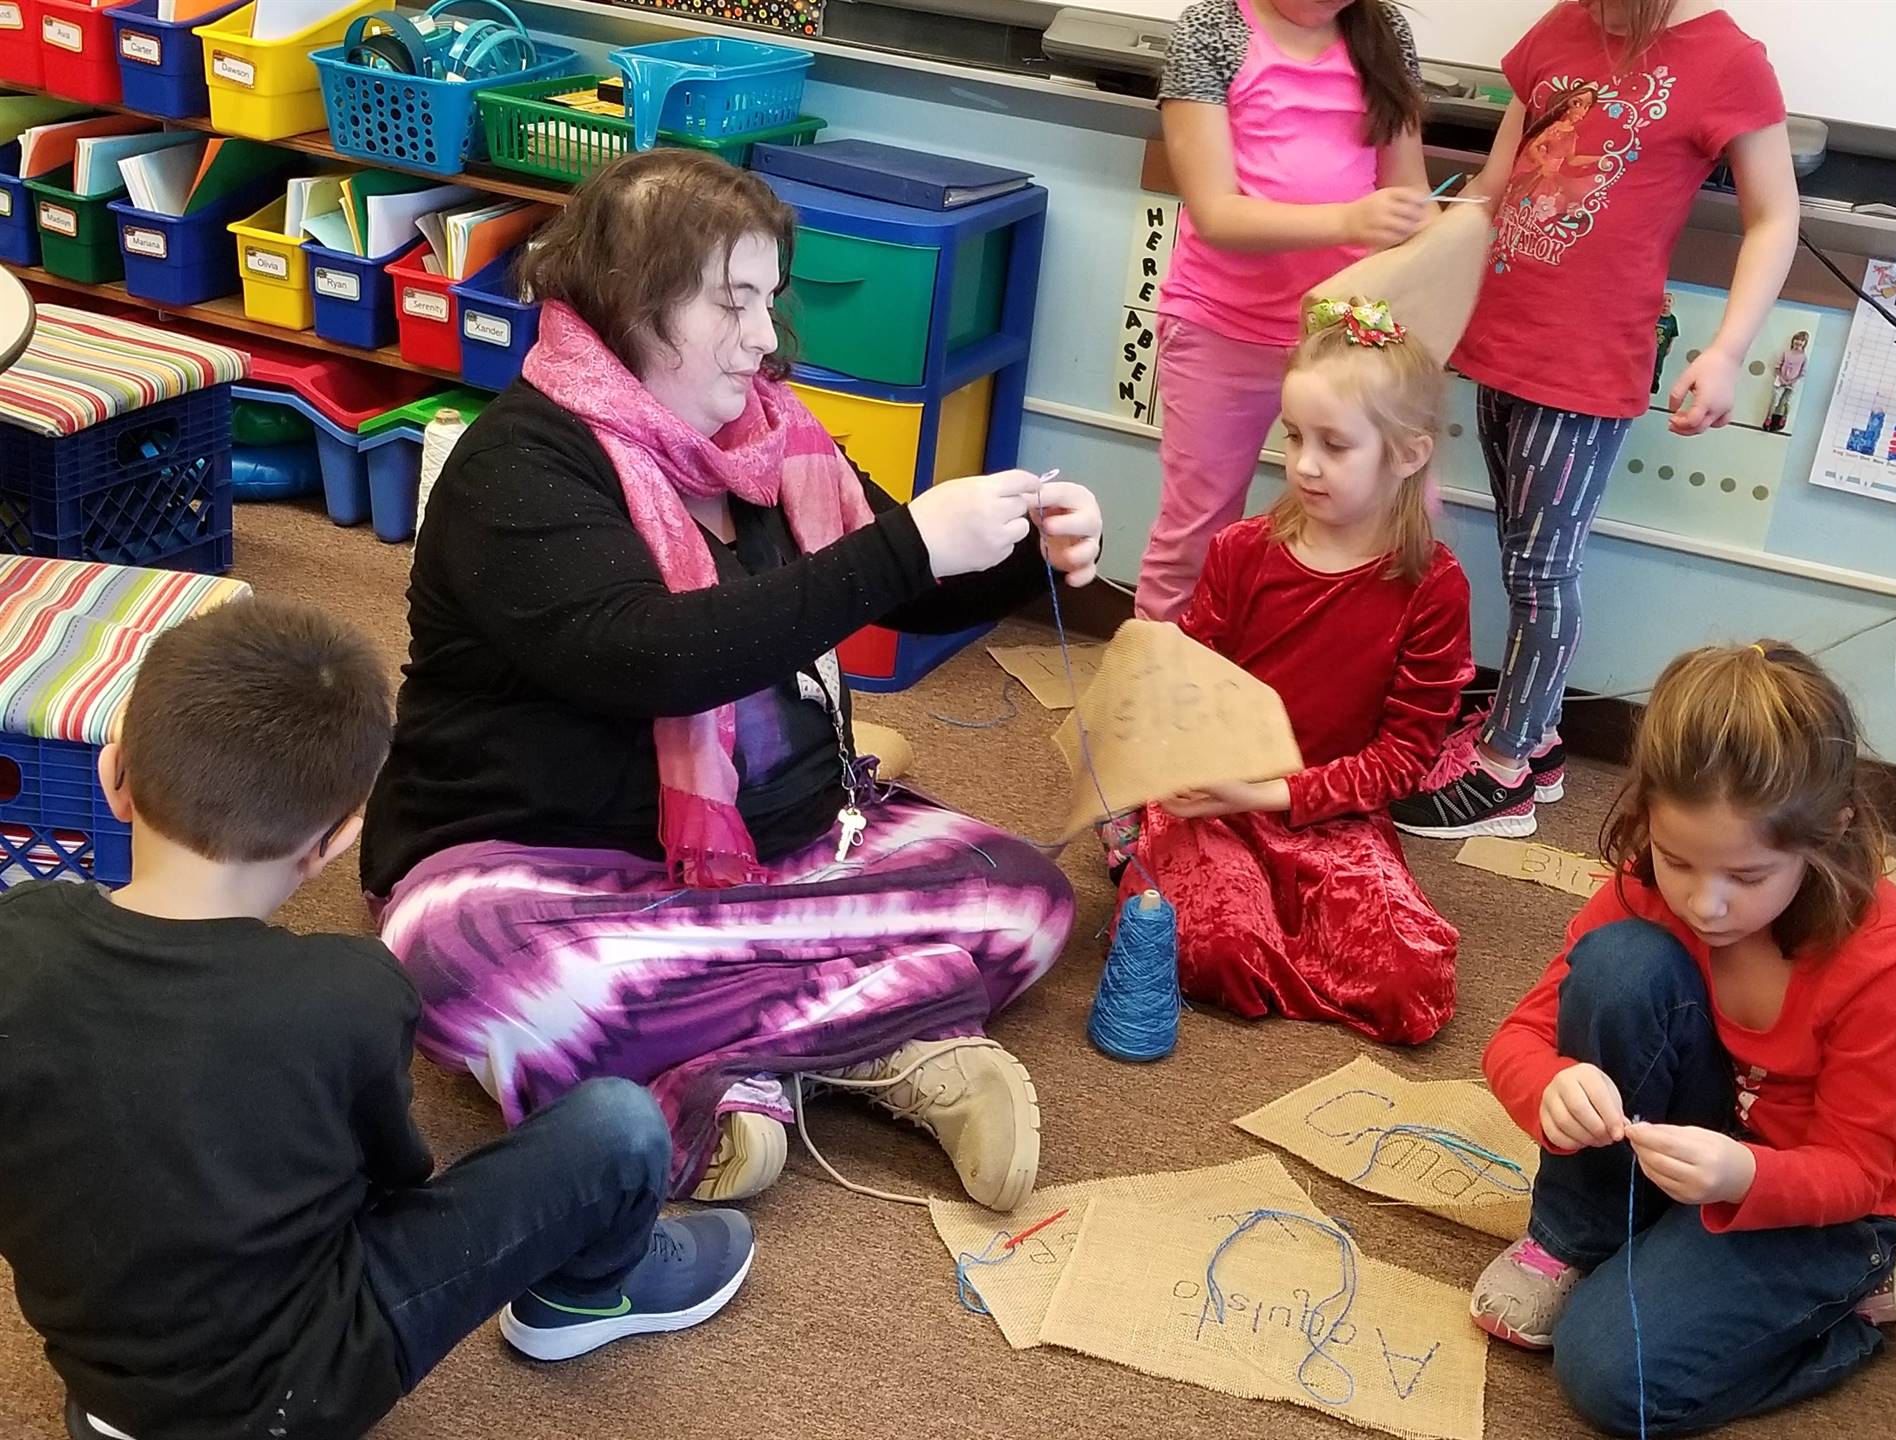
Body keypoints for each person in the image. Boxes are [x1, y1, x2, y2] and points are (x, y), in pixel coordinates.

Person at [359, 150, 1101, 1216]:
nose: (762, 336)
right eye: (731, 302)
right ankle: (897, 1027)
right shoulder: (518, 464)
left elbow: (911, 586)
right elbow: (656, 654)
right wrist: (906, 550)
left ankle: (734, 1058)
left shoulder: (768, 439)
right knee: (479, 968)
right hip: (543, 855)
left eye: (768, 300)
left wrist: (1031, 548)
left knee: (1025, 894)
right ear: (628, 304)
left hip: (772, 849)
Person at [0, 598, 753, 1440]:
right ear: (331, 842)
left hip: (108, 1397)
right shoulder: (353, 989)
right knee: (620, 1124)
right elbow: (393, 1179)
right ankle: (588, 1293)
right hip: (307, 1397)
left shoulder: (17, 936)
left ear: (113, 777)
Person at [1474, 642, 1896, 1434]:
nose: (1705, 904)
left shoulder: (1888, 963)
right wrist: (1550, 1088)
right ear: (1646, 816)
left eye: (1747, 877)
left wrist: (1743, 1173)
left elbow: (1855, 1173)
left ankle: (1848, 1311)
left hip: (1835, 1206)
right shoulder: (1647, 889)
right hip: (1711, 1149)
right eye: (1678, 860)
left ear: (1830, 833)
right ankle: (1575, 1240)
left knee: (1612, 1376)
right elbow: (1517, 1039)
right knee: (1616, 967)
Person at [1391, 0, 1800, 838]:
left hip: (1584, 365)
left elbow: (1776, 215)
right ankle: (1534, 737)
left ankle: (1504, 770)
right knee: (1521, 554)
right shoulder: (1561, 27)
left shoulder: (1727, 59)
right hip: (1501, 339)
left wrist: (1726, 351)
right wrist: (1415, 280)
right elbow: (1495, 186)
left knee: (1545, 571)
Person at [1115, 298, 1472, 1044]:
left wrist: (1277, 793)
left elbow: (1403, 758)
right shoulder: (1242, 551)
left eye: (1335, 445)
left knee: (1413, 988)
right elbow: (1192, 686)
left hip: (1330, 810)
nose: (1303, 464)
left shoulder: (1432, 587)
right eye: (1295, 436)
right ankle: (1160, 859)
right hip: (1214, 797)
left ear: (1407, 454)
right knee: (1220, 952)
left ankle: (1182, 882)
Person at [1135, 0, 1434, 622]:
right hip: (1223, 323)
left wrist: (1439, 254)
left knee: (1376, 525)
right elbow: (1216, 213)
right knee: (1197, 531)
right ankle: (1158, 694)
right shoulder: (1213, 28)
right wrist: (1349, 220)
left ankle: (1327, 685)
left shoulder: (1382, 33)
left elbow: (1410, 190)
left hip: (1349, 334)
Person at [1763, 328, 1809, 432]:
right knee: (1775, 400)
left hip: (1793, 383)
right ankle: (1769, 418)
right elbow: (1777, 367)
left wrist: (1793, 381)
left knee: (1787, 402)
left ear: (1804, 343)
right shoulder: (1786, 353)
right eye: (1797, 339)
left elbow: (1803, 373)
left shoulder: (1804, 357)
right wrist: (1781, 378)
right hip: (1780, 381)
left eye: (1802, 341)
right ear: (1793, 341)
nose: (1799, 342)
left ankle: (1784, 418)